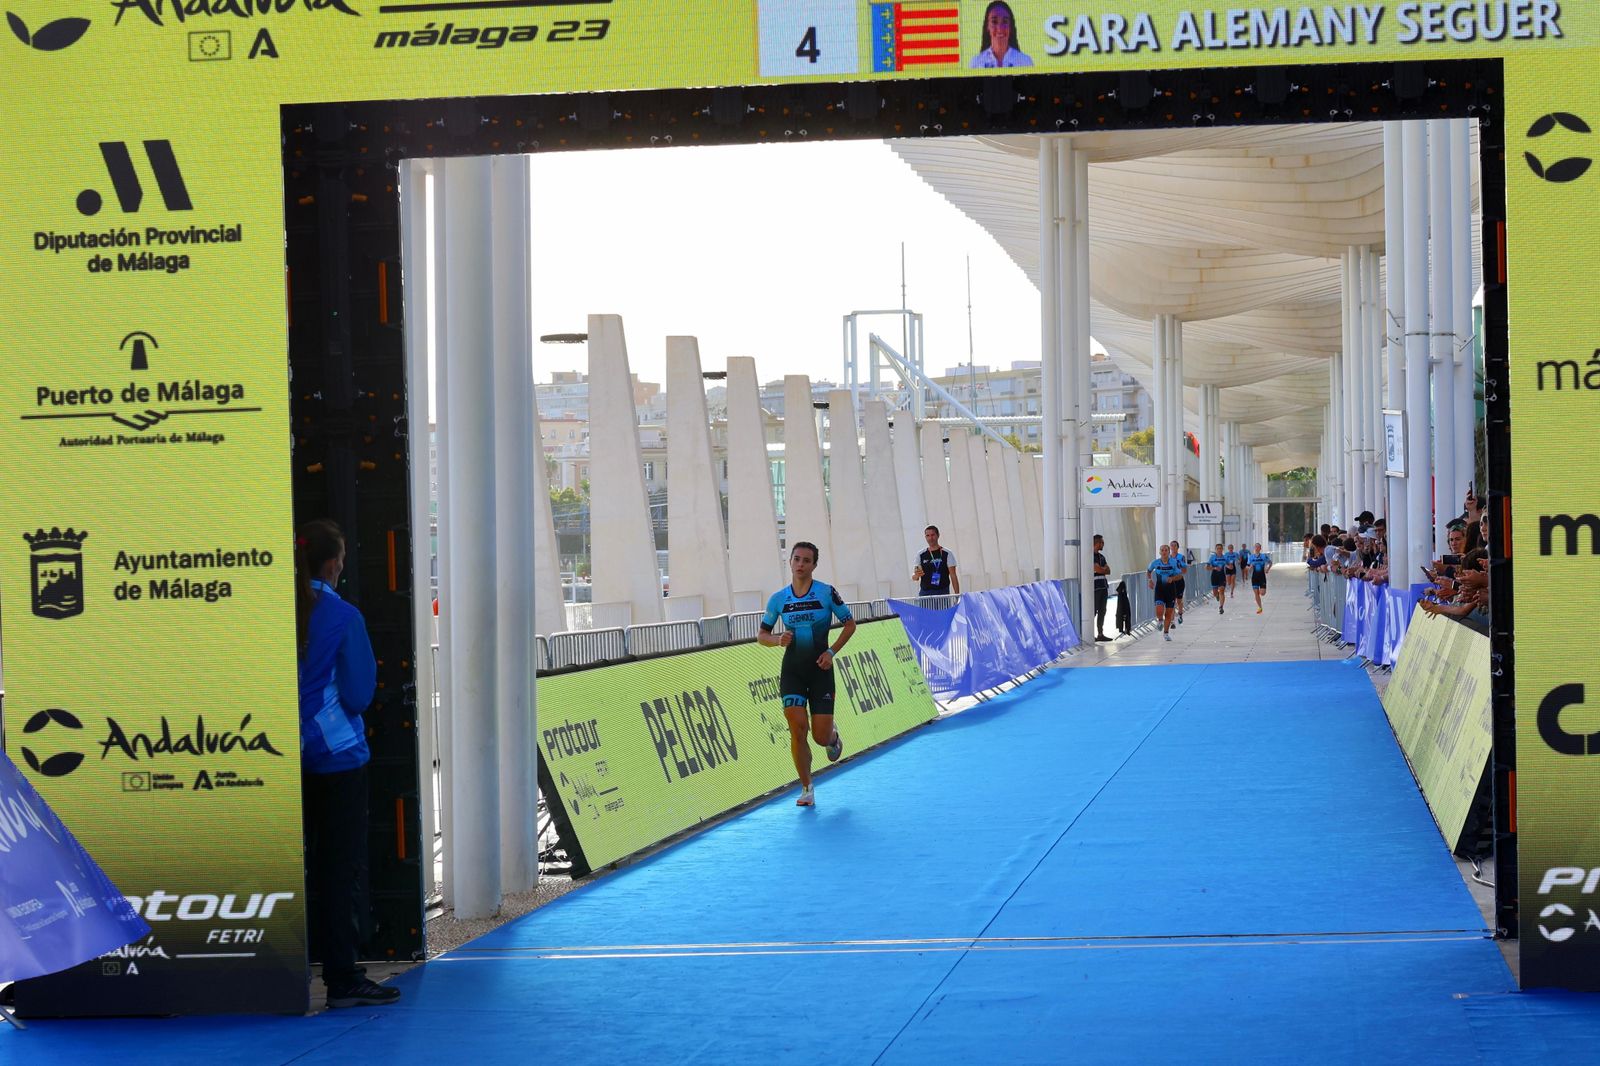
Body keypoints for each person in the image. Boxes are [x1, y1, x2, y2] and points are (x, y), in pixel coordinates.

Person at [295, 519, 401, 1009]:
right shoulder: (342, 616)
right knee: (339, 868)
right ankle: (341, 976)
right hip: (336, 757)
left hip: (278, 754)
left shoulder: (271, 610)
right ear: (335, 562)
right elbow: (358, 694)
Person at [759, 542, 856, 807]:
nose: (800, 565)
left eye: (806, 561)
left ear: (814, 565)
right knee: (797, 729)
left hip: (821, 670)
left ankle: (832, 736)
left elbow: (850, 624)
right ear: (790, 562)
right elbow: (762, 636)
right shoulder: (778, 599)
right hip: (792, 672)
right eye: (796, 559)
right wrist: (778, 639)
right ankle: (807, 788)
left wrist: (831, 652)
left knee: (819, 737)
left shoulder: (826, 593)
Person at [970, 1, 1033, 68]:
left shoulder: (1025, 62)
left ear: (1010, 26)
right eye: (994, 22)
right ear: (987, 26)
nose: (1000, 29)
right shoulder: (976, 63)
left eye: (1005, 22)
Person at [1147, 542, 1183, 641]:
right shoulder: (1155, 562)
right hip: (1159, 589)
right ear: (1159, 552)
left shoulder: (1174, 563)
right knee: (1159, 610)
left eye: (1166, 550)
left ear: (1168, 552)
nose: (1164, 552)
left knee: (1168, 612)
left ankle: (1166, 633)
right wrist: (1150, 580)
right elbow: (1149, 571)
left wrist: (1173, 578)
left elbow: (1180, 575)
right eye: (1162, 550)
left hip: (1171, 590)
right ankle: (1159, 620)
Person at [912, 524, 960, 596]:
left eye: (932, 535)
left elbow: (953, 575)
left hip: (942, 592)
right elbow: (915, 577)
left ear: (938, 535)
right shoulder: (921, 554)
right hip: (925, 594)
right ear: (925, 537)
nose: (930, 538)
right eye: (927, 536)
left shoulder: (947, 553)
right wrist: (916, 575)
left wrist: (957, 596)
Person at [1092, 533, 1112, 641]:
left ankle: (1100, 634)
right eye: (1102, 542)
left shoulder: (1101, 557)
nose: (1103, 544)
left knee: (1102, 611)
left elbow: (1108, 570)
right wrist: (1102, 569)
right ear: (1097, 543)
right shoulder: (1090, 556)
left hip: (1103, 587)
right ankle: (1089, 633)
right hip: (1095, 588)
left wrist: (1102, 569)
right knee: (1093, 611)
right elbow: (1098, 569)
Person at [1247, 541, 1272, 613]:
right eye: (1255, 547)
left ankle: (1260, 601)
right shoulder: (1251, 557)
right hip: (1254, 577)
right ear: (1254, 548)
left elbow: (1270, 562)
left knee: (1262, 593)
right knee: (1256, 593)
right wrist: (1250, 567)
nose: (1257, 548)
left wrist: (1267, 569)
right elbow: (1248, 567)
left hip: (1262, 577)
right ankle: (1260, 607)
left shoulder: (1263, 556)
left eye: (1258, 547)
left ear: (1260, 548)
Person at [1206, 542, 1228, 614]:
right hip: (1214, 576)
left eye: (1220, 548)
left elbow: (1228, 565)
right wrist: (1214, 568)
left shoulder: (1225, 557)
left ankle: (1221, 607)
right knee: (1215, 593)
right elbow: (1206, 567)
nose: (1219, 550)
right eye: (1217, 549)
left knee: (1222, 590)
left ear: (1222, 549)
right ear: (1215, 550)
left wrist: (1229, 566)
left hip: (1222, 576)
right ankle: (1217, 595)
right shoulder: (1212, 557)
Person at [1170, 540, 1188, 625]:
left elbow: (1184, 570)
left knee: (1179, 600)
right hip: (1171, 582)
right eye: (1171, 546)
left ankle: (1180, 614)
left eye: (1175, 546)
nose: (1173, 547)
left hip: (1179, 581)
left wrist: (1179, 568)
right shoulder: (1168, 558)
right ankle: (1172, 621)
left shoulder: (1181, 557)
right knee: (1172, 601)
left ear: (1177, 547)